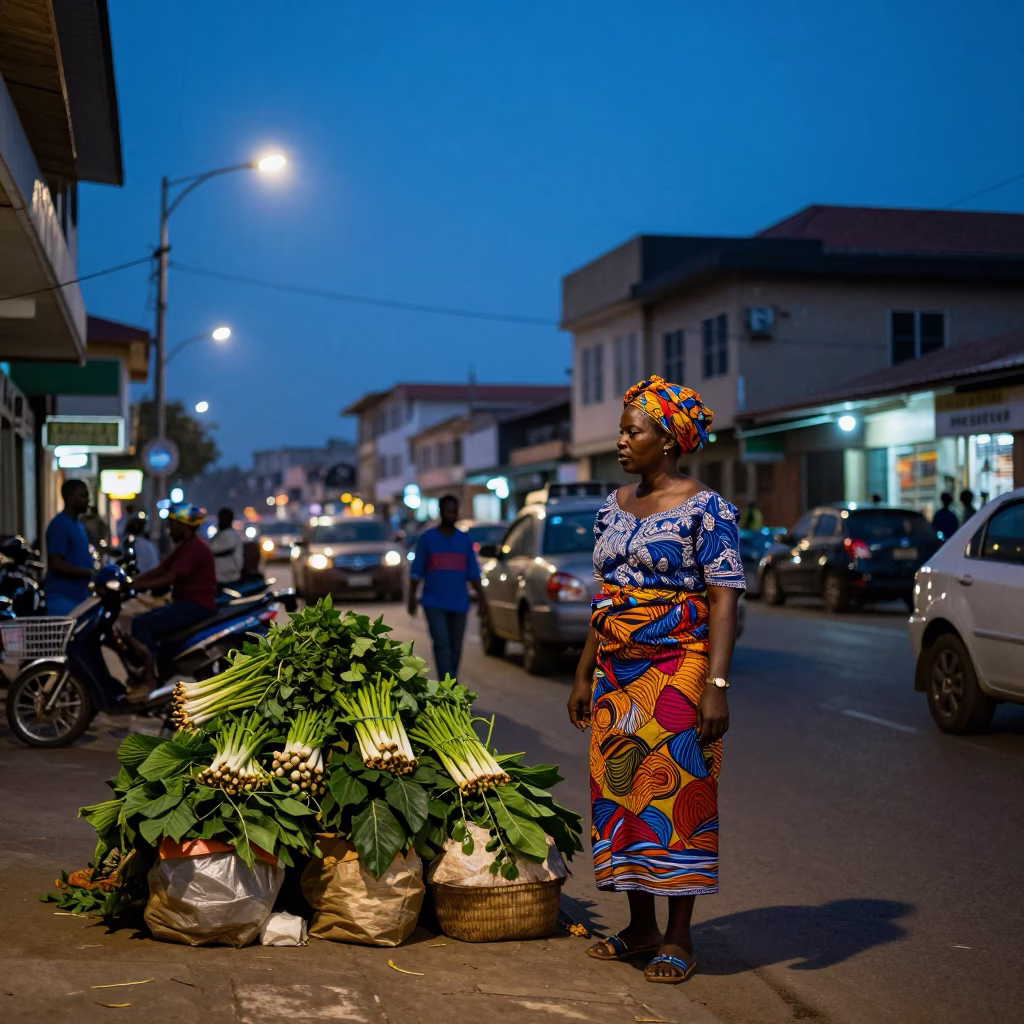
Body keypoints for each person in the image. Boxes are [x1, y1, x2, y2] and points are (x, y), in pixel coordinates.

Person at [567, 375, 743, 985]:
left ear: (667, 440)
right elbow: (606, 599)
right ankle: (640, 926)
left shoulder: (708, 510)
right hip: (616, 673)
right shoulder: (611, 508)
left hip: (679, 669)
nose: (621, 441)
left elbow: (723, 601)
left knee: (676, 795)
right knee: (621, 793)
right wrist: (583, 674)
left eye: (632, 431)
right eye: (621, 431)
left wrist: (716, 686)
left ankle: (679, 937)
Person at [129, 504, 217, 693]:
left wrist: (136, 586)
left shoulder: (195, 548)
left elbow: (169, 577)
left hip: (195, 606)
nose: (169, 529)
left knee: (141, 624)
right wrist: (131, 582)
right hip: (186, 603)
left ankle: (151, 678)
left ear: (183, 525)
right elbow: (160, 569)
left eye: (171, 524)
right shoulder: (185, 546)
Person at [407, 495, 487, 681]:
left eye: (454, 511)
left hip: (459, 602)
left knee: (455, 647)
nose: (451, 515)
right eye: (448, 511)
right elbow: (416, 572)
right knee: (442, 643)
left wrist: (483, 600)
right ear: (440, 512)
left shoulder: (464, 539)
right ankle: (447, 685)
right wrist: (411, 598)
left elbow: (473, 572)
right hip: (434, 602)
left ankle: (451, 681)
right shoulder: (427, 539)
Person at [43, 479, 95, 616]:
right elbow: (56, 564)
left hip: (79, 597)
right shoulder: (59, 525)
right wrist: (88, 573)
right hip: (62, 599)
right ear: (70, 498)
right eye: (83, 495)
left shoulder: (79, 525)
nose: (87, 500)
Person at [209, 507, 244, 585]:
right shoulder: (219, 534)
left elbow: (212, 549)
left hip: (227, 578)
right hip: (219, 578)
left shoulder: (231, 536)